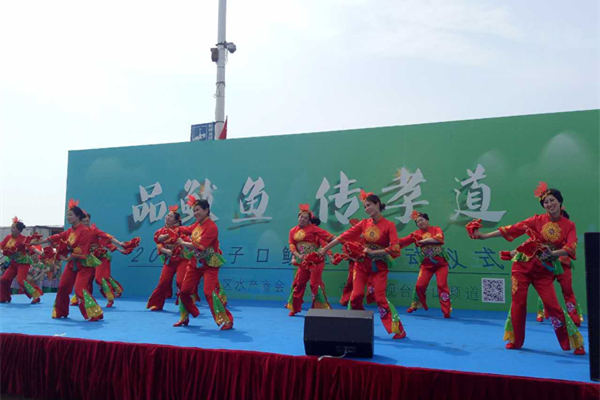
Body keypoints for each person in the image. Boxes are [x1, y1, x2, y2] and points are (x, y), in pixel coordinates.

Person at [468, 182, 585, 355]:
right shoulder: (536, 220)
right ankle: (515, 340)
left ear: (560, 202)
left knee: (553, 306)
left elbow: (571, 247)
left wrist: (553, 253)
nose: (549, 204)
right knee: (518, 302)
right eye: (546, 202)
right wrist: (484, 236)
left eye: (552, 200)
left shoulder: (569, 225)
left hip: (544, 271)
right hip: (522, 266)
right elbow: (512, 228)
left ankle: (572, 341)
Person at [320, 191, 406, 339]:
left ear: (377, 204)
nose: (366, 209)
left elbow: (395, 248)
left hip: (379, 267)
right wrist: (326, 248)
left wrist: (376, 252)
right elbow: (343, 237)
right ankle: (360, 324)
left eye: (369, 205)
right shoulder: (364, 223)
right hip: (361, 265)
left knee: (380, 298)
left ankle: (397, 329)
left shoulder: (389, 225)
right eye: (365, 207)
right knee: (356, 297)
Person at [33, 200, 104, 321]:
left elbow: (81, 250)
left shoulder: (85, 231)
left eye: (70, 215)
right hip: (72, 263)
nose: (68, 217)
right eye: (67, 215)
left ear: (78, 216)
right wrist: (40, 242)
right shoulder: (70, 231)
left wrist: (67, 258)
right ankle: (61, 312)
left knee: (79, 289)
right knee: (63, 287)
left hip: (84, 264)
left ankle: (94, 313)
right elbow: (57, 237)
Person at [173, 197, 233, 329]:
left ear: (206, 210)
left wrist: (183, 243)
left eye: (198, 210)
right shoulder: (197, 224)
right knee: (184, 291)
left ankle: (227, 320)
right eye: (194, 211)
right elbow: (188, 229)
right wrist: (176, 228)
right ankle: (185, 316)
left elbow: (200, 246)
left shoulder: (212, 227)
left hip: (209, 264)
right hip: (195, 263)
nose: (195, 213)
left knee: (209, 292)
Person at [399, 211, 451, 318]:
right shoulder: (416, 234)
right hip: (426, 265)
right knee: (419, 286)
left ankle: (446, 310)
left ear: (427, 220)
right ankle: (416, 304)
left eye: (422, 220)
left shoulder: (436, 229)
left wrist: (424, 241)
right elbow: (403, 241)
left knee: (442, 285)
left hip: (441, 264)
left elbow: (440, 238)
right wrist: (390, 241)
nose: (420, 223)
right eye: (417, 222)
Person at [287, 204, 335, 316]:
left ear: (309, 220)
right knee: (299, 283)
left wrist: (339, 240)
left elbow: (327, 237)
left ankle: (321, 308)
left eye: (305, 218)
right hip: (303, 261)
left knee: (315, 284)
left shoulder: (313, 229)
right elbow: (292, 245)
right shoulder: (292, 231)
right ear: (298, 217)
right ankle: (294, 307)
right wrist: (297, 256)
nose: (302, 219)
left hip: (316, 261)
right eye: (301, 217)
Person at [147, 205, 192, 311]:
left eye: (170, 217)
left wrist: (176, 232)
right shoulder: (160, 231)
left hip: (182, 259)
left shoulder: (181, 230)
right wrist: (165, 250)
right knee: (163, 282)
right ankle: (157, 304)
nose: (167, 217)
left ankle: (185, 306)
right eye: (167, 216)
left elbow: (188, 241)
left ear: (176, 221)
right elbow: (159, 240)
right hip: (169, 260)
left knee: (180, 282)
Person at [0, 217, 43, 304]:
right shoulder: (8, 237)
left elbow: (30, 246)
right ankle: (5, 297)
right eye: (11, 227)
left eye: (13, 228)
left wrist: (39, 252)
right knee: (4, 279)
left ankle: (36, 295)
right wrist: (3, 252)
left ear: (19, 230)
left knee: (21, 281)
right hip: (13, 263)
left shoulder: (23, 238)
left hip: (23, 263)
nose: (11, 229)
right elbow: (1, 246)